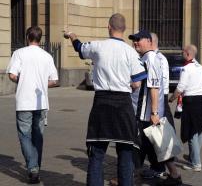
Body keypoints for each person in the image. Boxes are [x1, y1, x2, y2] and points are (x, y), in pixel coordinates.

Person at [64, 13, 146, 186]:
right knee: (125, 151)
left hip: (102, 103)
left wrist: (72, 35)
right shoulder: (131, 53)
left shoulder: (97, 46)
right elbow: (138, 82)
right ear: (124, 29)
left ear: (109, 27)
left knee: (97, 153)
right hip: (123, 104)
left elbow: (79, 47)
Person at [129, 30, 182, 186]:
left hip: (145, 114)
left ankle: (131, 177)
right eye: (134, 40)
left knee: (136, 146)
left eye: (138, 39)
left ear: (149, 41)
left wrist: (154, 112)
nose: (135, 42)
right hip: (145, 113)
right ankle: (174, 174)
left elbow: (154, 86)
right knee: (156, 145)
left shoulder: (151, 58)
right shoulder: (146, 57)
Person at [6, 26, 58, 184]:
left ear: (27, 36)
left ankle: (33, 168)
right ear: (40, 38)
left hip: (24, 101)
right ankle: (35, 168)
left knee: (24, 135)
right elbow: (54, 80)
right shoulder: (47, 56)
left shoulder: (19, 53)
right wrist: (42, 83)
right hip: (41, 102)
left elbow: (12, 75)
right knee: (38, 137)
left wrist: (22, 80)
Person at [169, 45, 202, 172]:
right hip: (201, 100)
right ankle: (194, 157)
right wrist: (199, 90)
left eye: (183, 52)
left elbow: (181, 87)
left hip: (191, 102)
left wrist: (171, 99)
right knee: (199, 129)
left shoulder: (186, 69)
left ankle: (196, 163)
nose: (182, 54)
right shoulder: (201, 67)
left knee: (192, 132)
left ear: (187, 54)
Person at [151, 32, 175, 128]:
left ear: (151, 42)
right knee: (164, 120)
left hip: (159, 94)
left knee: (163, 121)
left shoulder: (157, 58)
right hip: (161, 93)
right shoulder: (157, 57)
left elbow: (161, 80)